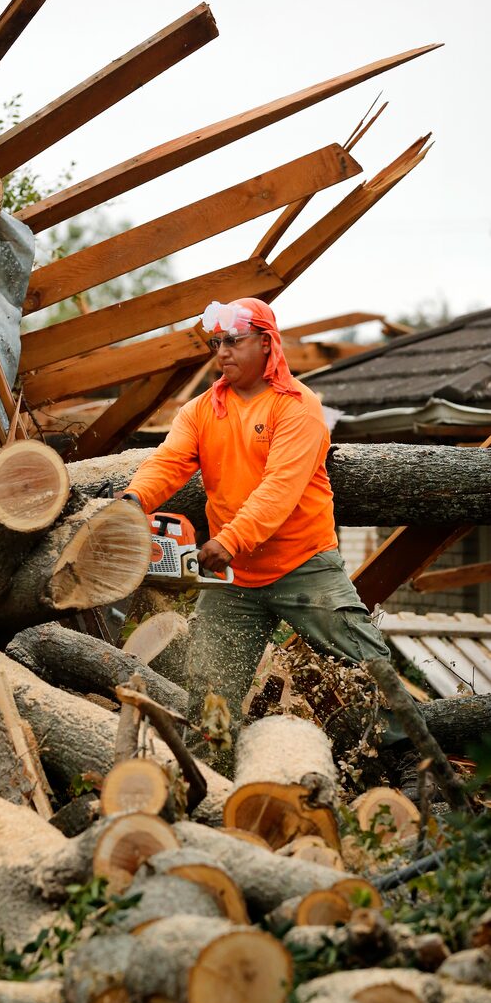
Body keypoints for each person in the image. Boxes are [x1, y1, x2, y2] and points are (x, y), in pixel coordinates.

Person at [121, 295, 402, 759]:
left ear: (266, 343)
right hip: (234, 579)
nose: (222, 352)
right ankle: (211, 778)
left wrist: (229, 539)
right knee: (211, 688)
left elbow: (280, 488)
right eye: (217, 342)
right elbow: (168, 463)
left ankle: (408, 757)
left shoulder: (297, 407)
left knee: (366, 661)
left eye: (234, 341)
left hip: (302, 564)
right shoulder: (200, 411)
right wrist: (133, 501)